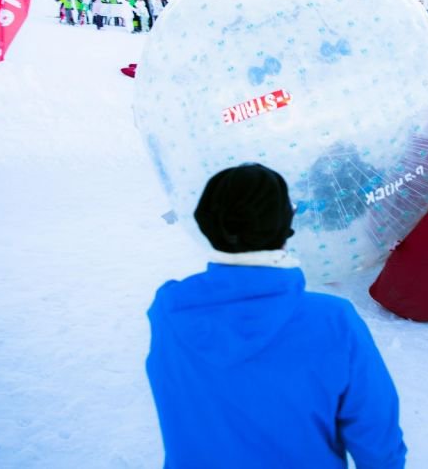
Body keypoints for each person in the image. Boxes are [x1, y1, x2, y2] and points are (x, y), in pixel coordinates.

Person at [146, 163, 407, 469]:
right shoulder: (333, 321)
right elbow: (377, 440)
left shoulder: (169, 310)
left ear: (206, 224)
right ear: (286, 227)